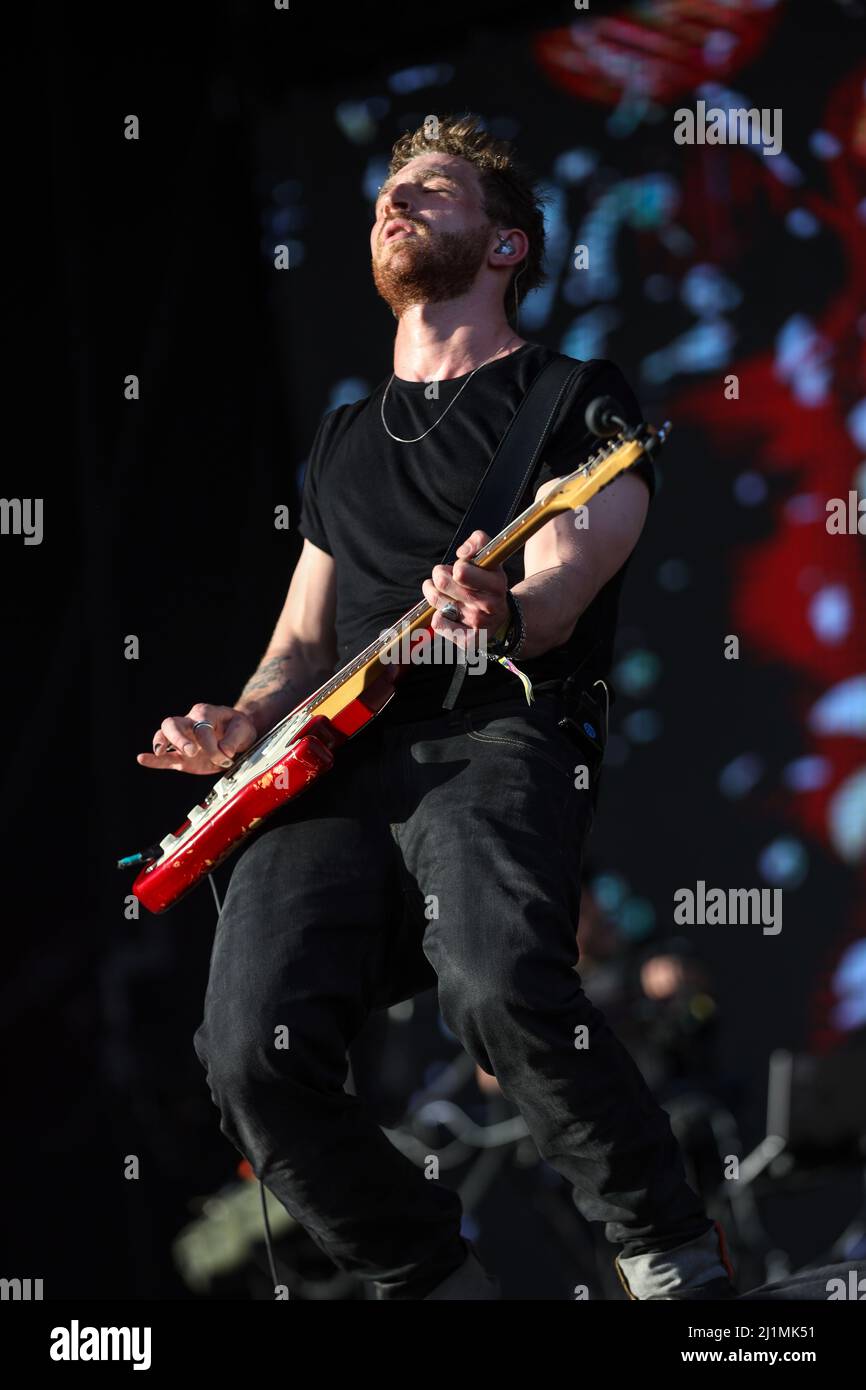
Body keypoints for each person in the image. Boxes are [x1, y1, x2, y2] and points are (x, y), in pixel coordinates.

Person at [138, 114, 735, 1300]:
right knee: (247, 1055)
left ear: (507, 246)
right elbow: (299, 642)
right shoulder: (343, 438)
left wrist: (502, 612)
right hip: (325, 766)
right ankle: (425, 1277)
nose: (394, 202)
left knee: (499, 985)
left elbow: (566, 579)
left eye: (433, 188)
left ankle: (665, 1250)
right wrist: (236, 721)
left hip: (491, 731)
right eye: (386, 191)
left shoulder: (568, 395)